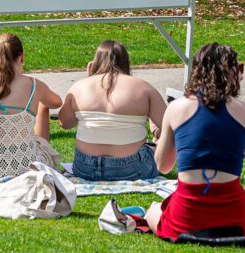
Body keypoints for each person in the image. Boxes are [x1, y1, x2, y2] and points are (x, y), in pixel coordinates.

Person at [145, 43, 245, 239]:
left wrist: (160, 140)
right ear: (233, 73)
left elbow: (163, 166)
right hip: (233, 218)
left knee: (153, 210)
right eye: (240, 69)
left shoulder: (176, 109)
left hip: (186, 216)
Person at [0, 33, 62, 182]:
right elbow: (57, 102)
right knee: (42, 105)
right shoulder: (33, 85)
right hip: (25, 166)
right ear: (22, 56)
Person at [58, 40, 167, 181]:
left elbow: (64, 123)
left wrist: (88, 80)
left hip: (85, 168)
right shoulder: (143, 88)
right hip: (132, 168)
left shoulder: (79, 87)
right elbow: (169, 125)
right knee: (154, 149)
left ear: (95, 61)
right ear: (127, 61)